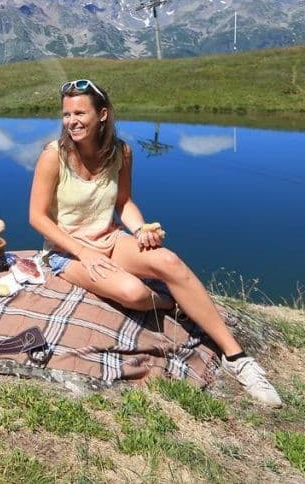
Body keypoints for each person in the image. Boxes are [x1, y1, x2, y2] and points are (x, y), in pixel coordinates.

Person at [29, 78, 281, 406]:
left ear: (102, 114)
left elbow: (123, 203)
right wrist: (82, 252)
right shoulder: (54, 155)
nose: (72, 121)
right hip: (67, 252)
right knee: (133, 292)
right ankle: (177, 303)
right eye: (66, 115)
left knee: (169, 261)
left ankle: (239, 359)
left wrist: (140, 228)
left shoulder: (121, 152)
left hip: (110, 237)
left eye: (80, 113)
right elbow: (37, 218)